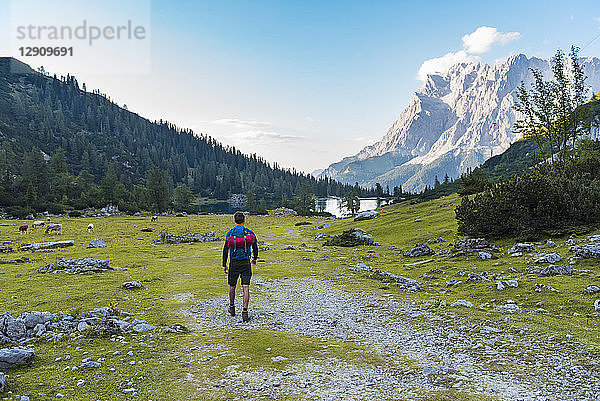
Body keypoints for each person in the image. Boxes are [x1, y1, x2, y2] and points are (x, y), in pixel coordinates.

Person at [222, 211, 258, 322]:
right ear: (244, 220)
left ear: (234, 220)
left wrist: (224, 264)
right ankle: (245, 311)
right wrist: (254, 258)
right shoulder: (249, 232)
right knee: (245, 287)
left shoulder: (230, 233)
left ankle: (232, 308)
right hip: (245, 262)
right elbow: (255, 247)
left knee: (232, 286)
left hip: (233, 262)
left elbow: (225, 250)